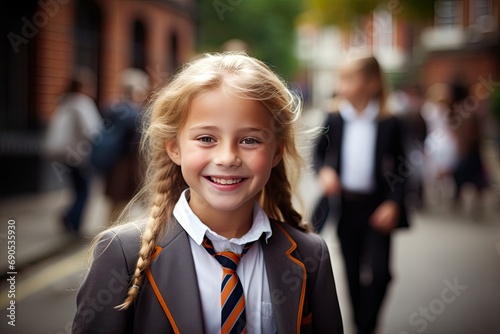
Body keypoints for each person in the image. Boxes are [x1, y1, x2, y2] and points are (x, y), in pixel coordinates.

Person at [73, 53, 343, 333]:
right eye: (206, 139)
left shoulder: (311, 255)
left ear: (277, 150)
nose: (227, 158)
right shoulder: (121, 254)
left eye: (250, 140)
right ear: (174, 147)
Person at [314, 54, 408, 334]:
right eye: (341, 78)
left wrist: (394, 202)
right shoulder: (335, 116)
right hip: (345, 206)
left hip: (377, 207)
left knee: (380, 274)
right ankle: (359, 326)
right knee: (351, 272)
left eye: (349, 78)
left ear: (372, 83)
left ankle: (368, 325)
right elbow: (318, 153)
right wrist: (324, 172)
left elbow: (404, 167)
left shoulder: (390, 121)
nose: (342, 85)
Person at [43, 68, 102, 234]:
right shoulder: (83, 103)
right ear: (83, 86)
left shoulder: (64, 102)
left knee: (76, 189)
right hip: (80, 155)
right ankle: (72, 221)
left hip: (64, 154)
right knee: (85, 191)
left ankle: (71, 220)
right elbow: (93, 130)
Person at [92, 68, 149, 223]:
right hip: (126, 164)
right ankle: (114, 234)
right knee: (124, 201)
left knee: (115, 201)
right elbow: (140, 142)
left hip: (112, 161)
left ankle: (110, 230)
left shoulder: (111, 106)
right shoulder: (134, 112)